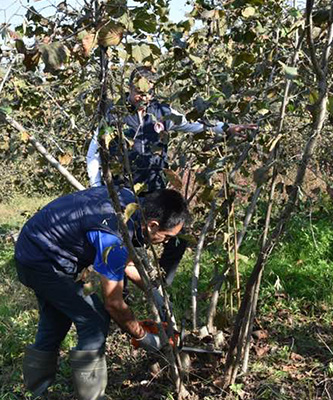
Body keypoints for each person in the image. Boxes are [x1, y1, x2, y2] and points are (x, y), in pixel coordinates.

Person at [14, 186, 188, 400]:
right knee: (94, 319)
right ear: (153, 225)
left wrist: (155, 292)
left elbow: (126, 264)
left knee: (56, 318)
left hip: (35, 249)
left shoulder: (128, 205)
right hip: (42, 261)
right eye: (166, 238)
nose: (165, 243)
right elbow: (114, 304)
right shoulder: (114, 235)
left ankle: (34, 393)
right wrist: (144, 338)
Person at [86, 66, 257, 287]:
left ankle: (161, 283)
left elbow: (193, 125)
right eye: (138, 91)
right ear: (129, 87)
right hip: (123, 191)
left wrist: (226, 128)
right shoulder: (113, 115)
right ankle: (122, 292)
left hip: (155, 190)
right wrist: (97, 187)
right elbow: (94, 152)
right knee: (124, 240)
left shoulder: (162, 111)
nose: (143, 97)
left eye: (148, 92)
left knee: (179, 232)